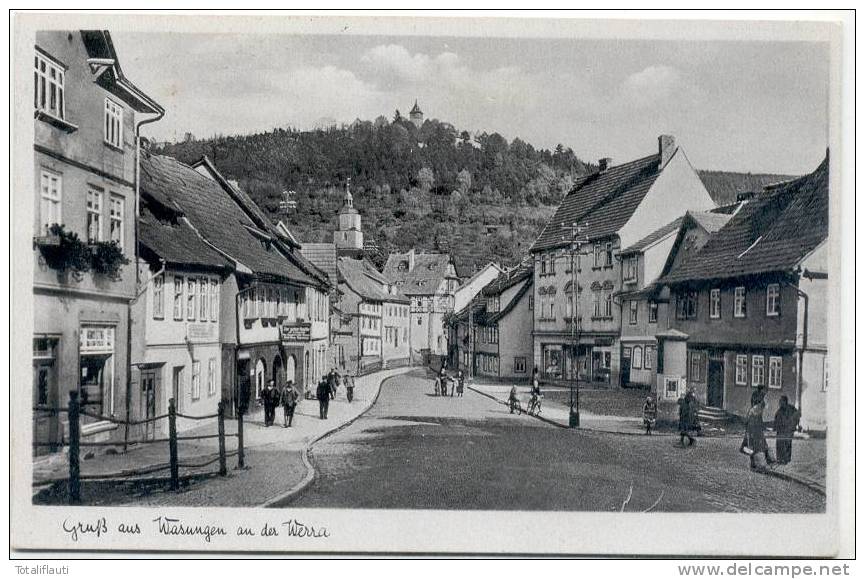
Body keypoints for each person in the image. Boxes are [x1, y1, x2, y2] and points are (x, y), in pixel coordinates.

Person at [744, 398, 772, 469]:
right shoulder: (756, 410)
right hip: (752, 431)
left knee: (759, 446)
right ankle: (753, 464)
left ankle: (762, 462)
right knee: (753, 447)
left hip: (755, 430)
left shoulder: (756, 409)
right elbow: (753, 421)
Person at [773, 395, 801, 465]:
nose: (779, 403)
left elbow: (798, 414)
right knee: (779, 443)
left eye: (781, 401)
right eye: (779, 402)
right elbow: (776, 420)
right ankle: (780, 459)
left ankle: (786, 459)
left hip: (789, 430)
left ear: (785, 402)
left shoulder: (791, 408)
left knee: (787, 444)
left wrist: (794, 423)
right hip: (781, 430)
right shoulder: (779, 411)